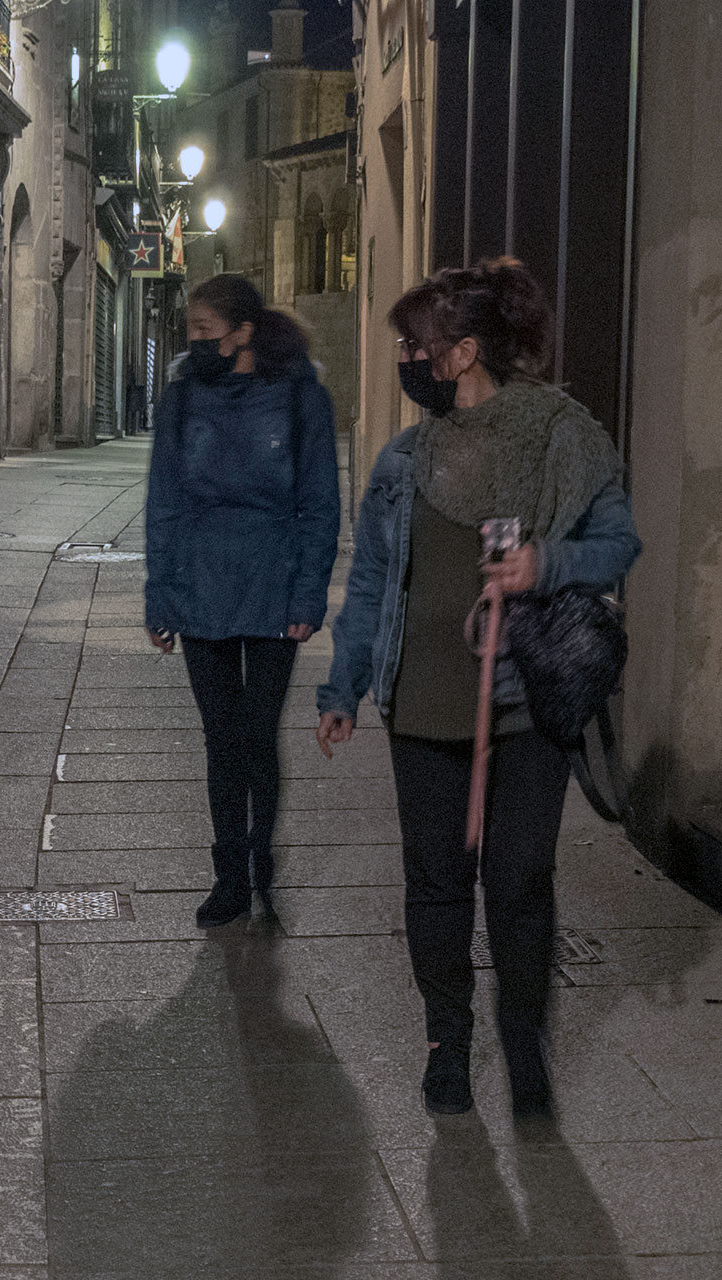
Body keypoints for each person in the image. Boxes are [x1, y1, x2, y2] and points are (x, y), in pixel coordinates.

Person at [315, 257, 641, 1117]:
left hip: (524, 703)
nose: (405, 359)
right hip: (420, 702)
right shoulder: (402, 462)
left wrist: (547, 562)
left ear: (460, 354)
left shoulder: (560, 436)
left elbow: (618, 542)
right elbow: (375, 586)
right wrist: (342, 688)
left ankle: (525, 1042)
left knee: (521, 874)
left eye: (413, 345)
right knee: (435, 881)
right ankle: (447, 1043)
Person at [145, 274, 341, 928]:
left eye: (205, 331)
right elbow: (164, 502)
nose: (195, 343)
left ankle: (262, 861)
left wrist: (309, 591)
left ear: (243, 332)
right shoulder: (180, 400)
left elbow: (319, 505)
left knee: (258, 735)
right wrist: (161, 595)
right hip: (202, 588)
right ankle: (230, 874)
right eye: (191, 332)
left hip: (273, 588)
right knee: (221, 739)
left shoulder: (299, 399)